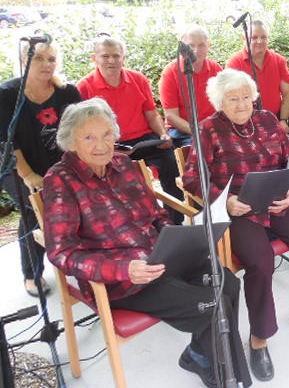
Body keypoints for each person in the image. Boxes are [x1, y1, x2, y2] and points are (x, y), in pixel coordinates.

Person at [41, 98, 251, 388]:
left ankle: (199, 355)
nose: (101, 144)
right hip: (123, 279)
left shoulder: (124, 164)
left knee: (227, 283)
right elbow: (61, 252)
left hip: (162, 257)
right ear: (71, 141)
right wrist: (123, 269)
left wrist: (177, 241)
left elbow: (157, 214)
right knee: (212, 304)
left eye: (106, 134)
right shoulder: (60, 180)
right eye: (88, 137)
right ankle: (231, 379)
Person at [182, 69, 289, 383]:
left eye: (245, 97)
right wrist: (225, 201)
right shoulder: (208, 129)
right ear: (219, 102)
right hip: (239, 210)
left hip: (277, 199)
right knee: (261, 262)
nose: (241, 104)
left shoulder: (267, 120)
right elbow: (192, 179)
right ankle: (259, 338)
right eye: (232, 99)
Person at [0, 38, 81, 296]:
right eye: (38, 58)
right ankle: (32, 274)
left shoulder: (67, 92)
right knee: (35, 210)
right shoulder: (7, 94)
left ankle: (79, 256)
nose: (46, 64)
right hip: (17, 166)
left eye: (51, 59)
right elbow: (7, 142)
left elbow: (80, 130)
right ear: (24, 60)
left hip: (60, 164)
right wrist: (28, 175)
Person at [76, 34, 183, 223]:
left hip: (144, 139)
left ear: (123, 58)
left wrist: (163, 134)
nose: (111, 61)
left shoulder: (138, 79)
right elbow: (84, 129)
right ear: (95, 58)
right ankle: (136, 223)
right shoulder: (84, 87)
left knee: (169, 160)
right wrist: (107, 147)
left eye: (116, 56)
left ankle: (174, 221)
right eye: (105, 56)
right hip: (111, 144)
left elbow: (151, 114)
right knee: (119, 176)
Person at [159, 25, 222, 147]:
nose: (196, 50)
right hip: (182, 131)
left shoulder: (216, 69)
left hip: (212, 127)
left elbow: (224, 105)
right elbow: (171, 116)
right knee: (201, 147)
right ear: (182, 48)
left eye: (201, 45)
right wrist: (200, 131)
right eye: (191, 46)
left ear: (208, 45)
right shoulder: (170, 72)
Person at [226, 20, 289, 133]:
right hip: (247, 123)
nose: (259, 41)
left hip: (276, 119)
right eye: (254, 37)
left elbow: (287, 93)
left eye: (264, 37)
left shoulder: (279, 61)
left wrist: (283, 120)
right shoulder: (234, 63)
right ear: (244, 39)